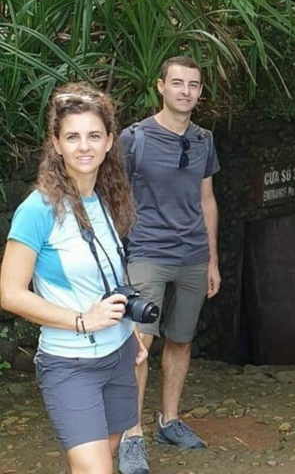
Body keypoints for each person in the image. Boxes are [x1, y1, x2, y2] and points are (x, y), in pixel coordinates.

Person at [0, 83, 149, 474]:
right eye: (73, 137)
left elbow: (106, 277)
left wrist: (128, 329)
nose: (84, 146)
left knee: (104, 456)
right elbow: (9, 293)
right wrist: (83, 320)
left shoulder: (106, 197)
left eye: (94, 135)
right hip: (70, 363)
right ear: (56, 143)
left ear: (109, 141)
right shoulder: (38, 209)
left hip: (118, 357)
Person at [117, 56, 221, 473]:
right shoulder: (134, 138)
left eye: (193, 85)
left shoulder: (204, 139)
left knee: (181, 338)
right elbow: (115, 197)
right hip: (147, 252)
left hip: (193, 254)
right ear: (160, 86)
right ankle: (131, 435)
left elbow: (206, 198)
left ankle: (169, 421)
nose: (186, 91)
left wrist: (212, 259)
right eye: (177, 83)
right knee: (139, 344)